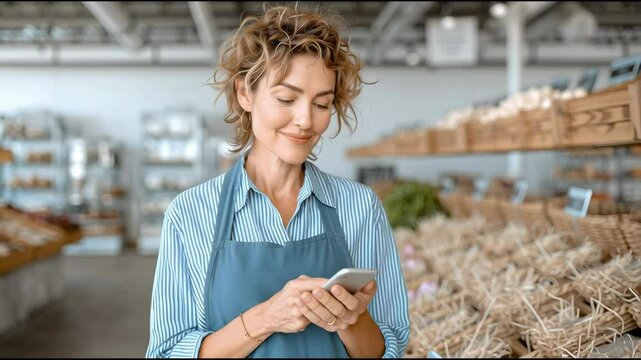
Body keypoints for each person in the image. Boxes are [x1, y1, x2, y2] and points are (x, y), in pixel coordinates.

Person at [145, 5, 409, 358]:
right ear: (245, 94)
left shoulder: (360, 207)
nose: (305, 120)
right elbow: (166, 353)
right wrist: (266, 318)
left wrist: (349, 320)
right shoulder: (191, 213)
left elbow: (388, 347)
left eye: (322, 104)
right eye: (286, 98)